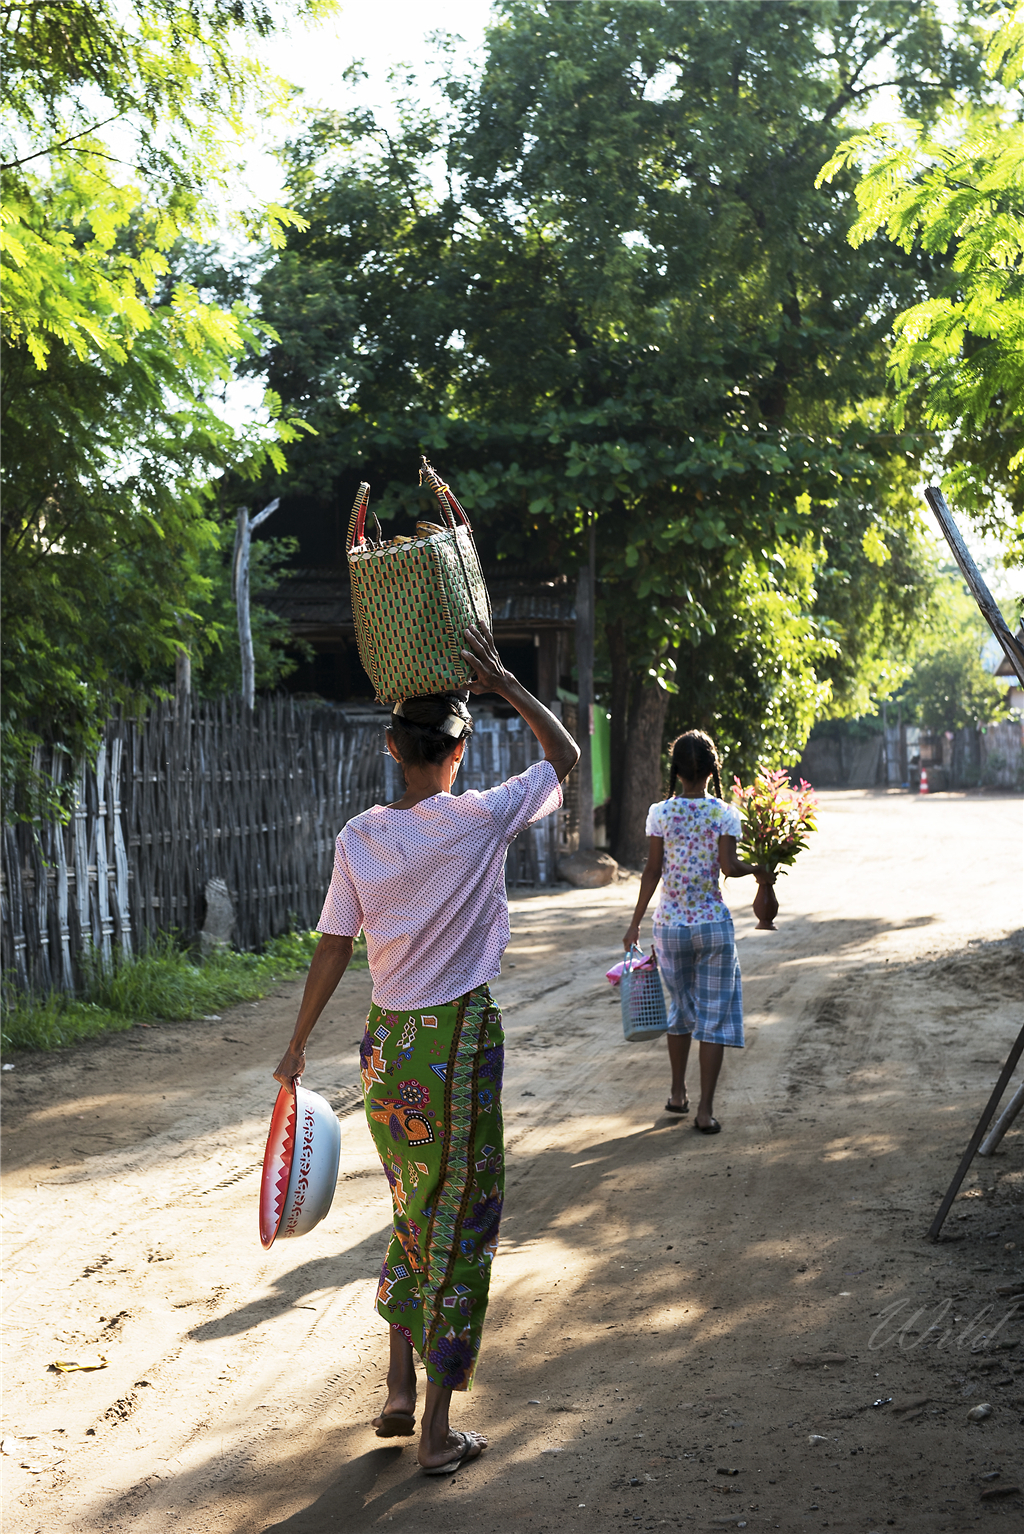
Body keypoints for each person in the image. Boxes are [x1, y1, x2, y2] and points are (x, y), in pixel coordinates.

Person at [273, 622, 578, 1475]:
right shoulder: (480, 818)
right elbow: (567, 754)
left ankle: (400, 1387)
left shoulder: (361, 836)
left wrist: (297, 1045)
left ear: (389, 746)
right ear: (459, 748)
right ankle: (438, 1434)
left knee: (414, 1207)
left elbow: (333, 946)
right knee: (461, 1219)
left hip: (389, 1050)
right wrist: (508, 681)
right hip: (458, 1041)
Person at [622, 729, 774, 1134]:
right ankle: (704, 1111)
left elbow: (652, 871)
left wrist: (635, 922)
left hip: (669, 928)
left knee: (679, 1010)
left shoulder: (660, 813)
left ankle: (676, 1093)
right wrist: (757, 870)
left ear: (676, 771)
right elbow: (728, 867)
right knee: (715, 1017)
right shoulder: (723, 813)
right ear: (712, 769)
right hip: (712, 927)